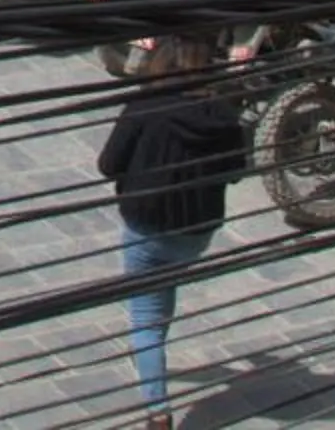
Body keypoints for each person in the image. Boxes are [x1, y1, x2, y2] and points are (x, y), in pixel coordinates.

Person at [98, 32, 249, 430]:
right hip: (195, 235)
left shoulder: (145, 105)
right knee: (161, 296)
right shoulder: (223, 116)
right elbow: (236, 172)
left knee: (144, 318)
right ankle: (155, 358)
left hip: (146, 227)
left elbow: (109, 164)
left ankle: (158, 412)